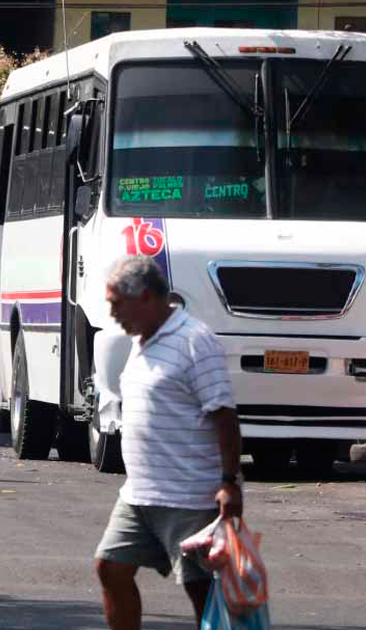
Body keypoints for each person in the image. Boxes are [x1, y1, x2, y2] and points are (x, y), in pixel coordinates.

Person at [94, 256, 243, 630]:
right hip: (139, 495)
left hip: (188, 497)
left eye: (117, 304)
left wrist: (229, 482)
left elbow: (224, 415)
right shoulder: (141, 340)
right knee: (110, 567)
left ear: (145, 297)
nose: (113, 315)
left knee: (202, 591)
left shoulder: (195, 341)